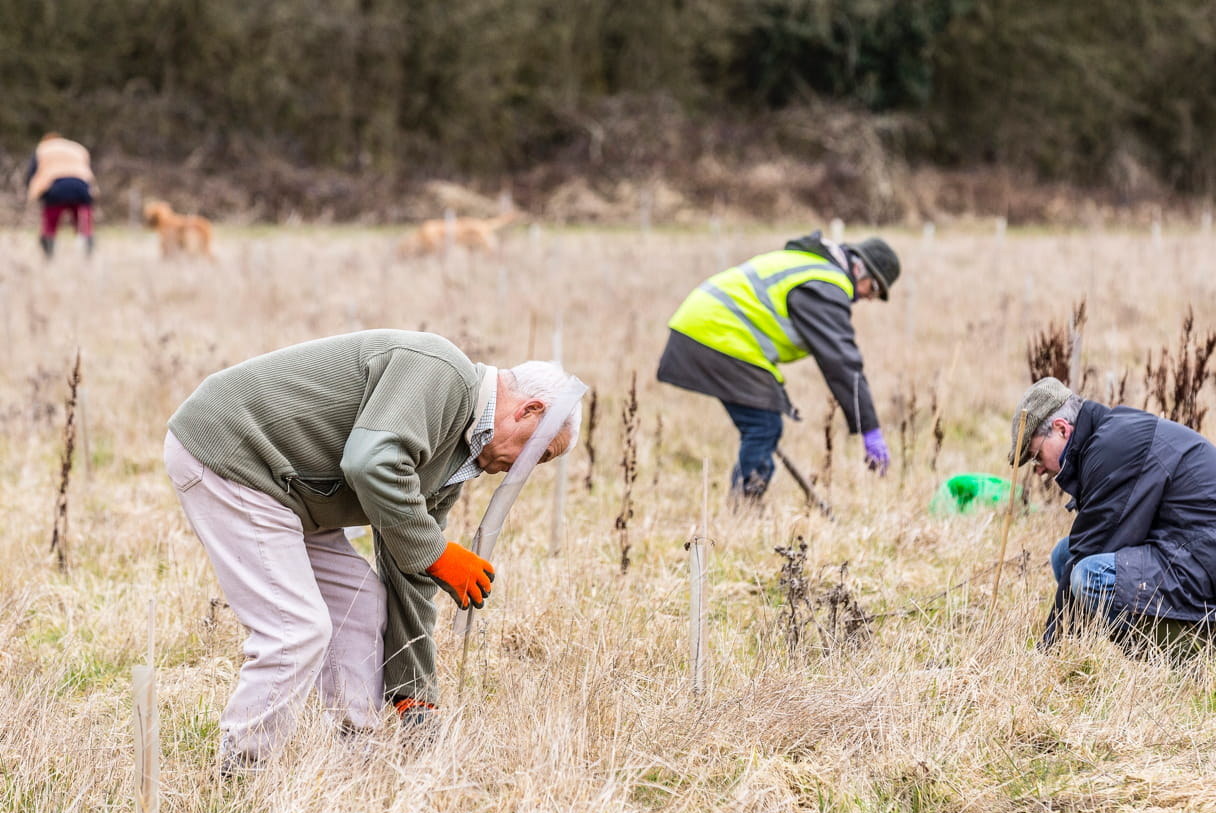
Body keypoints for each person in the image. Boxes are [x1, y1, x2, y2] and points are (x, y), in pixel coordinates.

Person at [164, 330, 582, 770]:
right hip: (235, 454)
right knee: (297, 630)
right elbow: (370, 463)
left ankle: (355, 758)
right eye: (538, 454)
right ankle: (240, 769)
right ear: (529, 410)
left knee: (361, 606)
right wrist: (438, 554)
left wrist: (415, 696)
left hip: (294, 490)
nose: (524, 468)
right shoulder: (441, 373)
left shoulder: (455, 456)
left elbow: (412, 569)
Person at [1008, 378, 1216, 653]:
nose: (1038, 469)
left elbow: (1092, 548)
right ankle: (1156, 645)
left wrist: (1049, 650)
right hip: (1202, 555)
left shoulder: (1112, 447)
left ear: (1062, 429)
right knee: (1064, 556)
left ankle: (1204, 651)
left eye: (1035, 455)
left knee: (1089, 575)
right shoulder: (1109, 436)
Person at [657, 231, 900, 501]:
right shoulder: (824, 284)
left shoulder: (812, 268)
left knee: (763, 422)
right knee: (763, 425)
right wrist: (870, 428)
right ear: (858, 267)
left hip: (709, 327)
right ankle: (745, 508)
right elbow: (841, 361)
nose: (869, 297)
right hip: (716, 332)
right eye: (874, 288)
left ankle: (744, 504)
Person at [24, 132, 98, 258]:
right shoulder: (77, 148)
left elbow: (31, 173)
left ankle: (49, 256)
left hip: (55, 188)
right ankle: (86, 256)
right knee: (84, 225)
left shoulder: (43, 149)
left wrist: (32, 191)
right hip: (82, 188)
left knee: (50, 225)